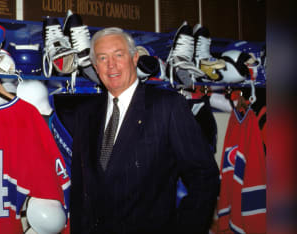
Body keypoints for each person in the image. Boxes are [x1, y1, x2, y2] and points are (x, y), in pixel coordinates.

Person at [70, 27, 220, 233]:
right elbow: (80, 187)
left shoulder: (167, 106)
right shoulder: (85, 114)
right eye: (103, 58)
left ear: (134, 58)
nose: (111, 65)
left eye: (119, 55)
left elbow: (204, 176)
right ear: (95, 67)